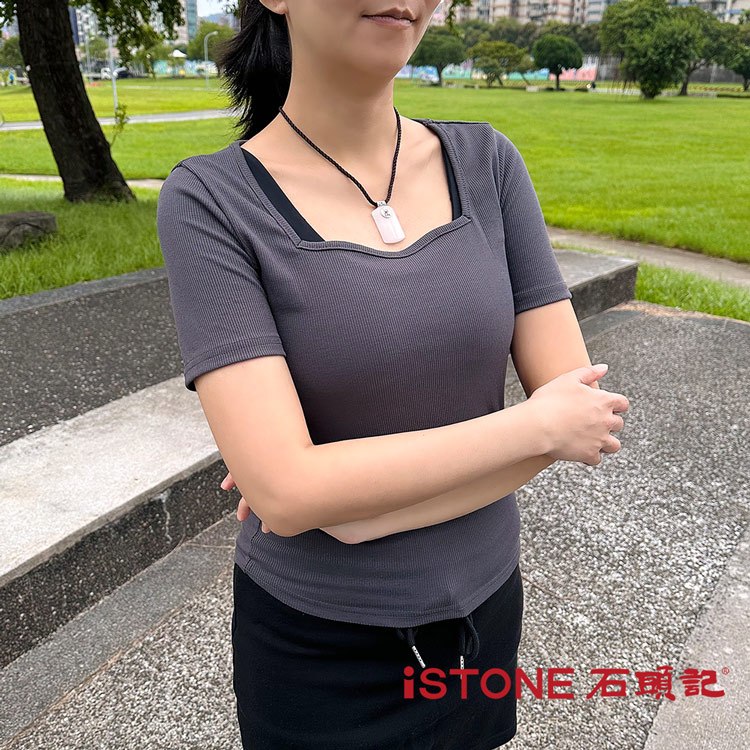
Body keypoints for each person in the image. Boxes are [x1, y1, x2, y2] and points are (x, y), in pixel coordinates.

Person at [156, 1, 630, 748]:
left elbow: (578, 413)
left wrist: (349, 505)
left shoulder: (488, 163)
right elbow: (286, 493)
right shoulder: (211, 200)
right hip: (318, 654)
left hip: (485, 615)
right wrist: (532, 428)